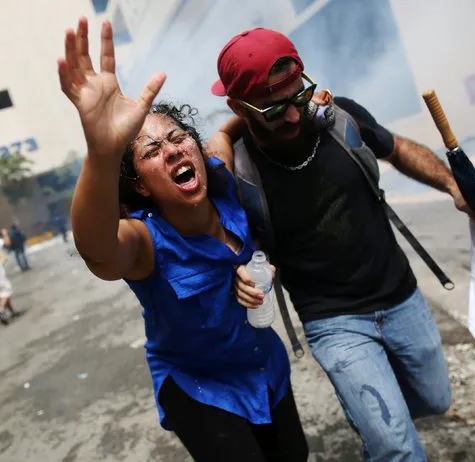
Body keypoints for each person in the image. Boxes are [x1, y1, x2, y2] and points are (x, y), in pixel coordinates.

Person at [214, 28, 475, 461]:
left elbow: (398, 148)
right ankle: (379, 429)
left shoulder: (341, 119)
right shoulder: (235, 167)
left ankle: (375, 421)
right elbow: (234, 239)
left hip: (401, 296)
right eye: (274, 110)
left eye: (298, 98)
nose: (294, 117)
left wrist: (452, 185)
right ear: (239, 108)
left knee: (435, 400)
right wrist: (246, 270)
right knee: (394, 446)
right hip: (333, 320)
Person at [59, 18, 308, 462]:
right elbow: (96, 250)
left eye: (178, 138)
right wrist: (102, 152)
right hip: (199, 387)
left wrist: (288, 103)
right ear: (139, 186)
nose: (172, 150)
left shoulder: (222, 178)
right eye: (152, 152)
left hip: (264, 365)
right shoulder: (143, 242)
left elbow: (225, 130)